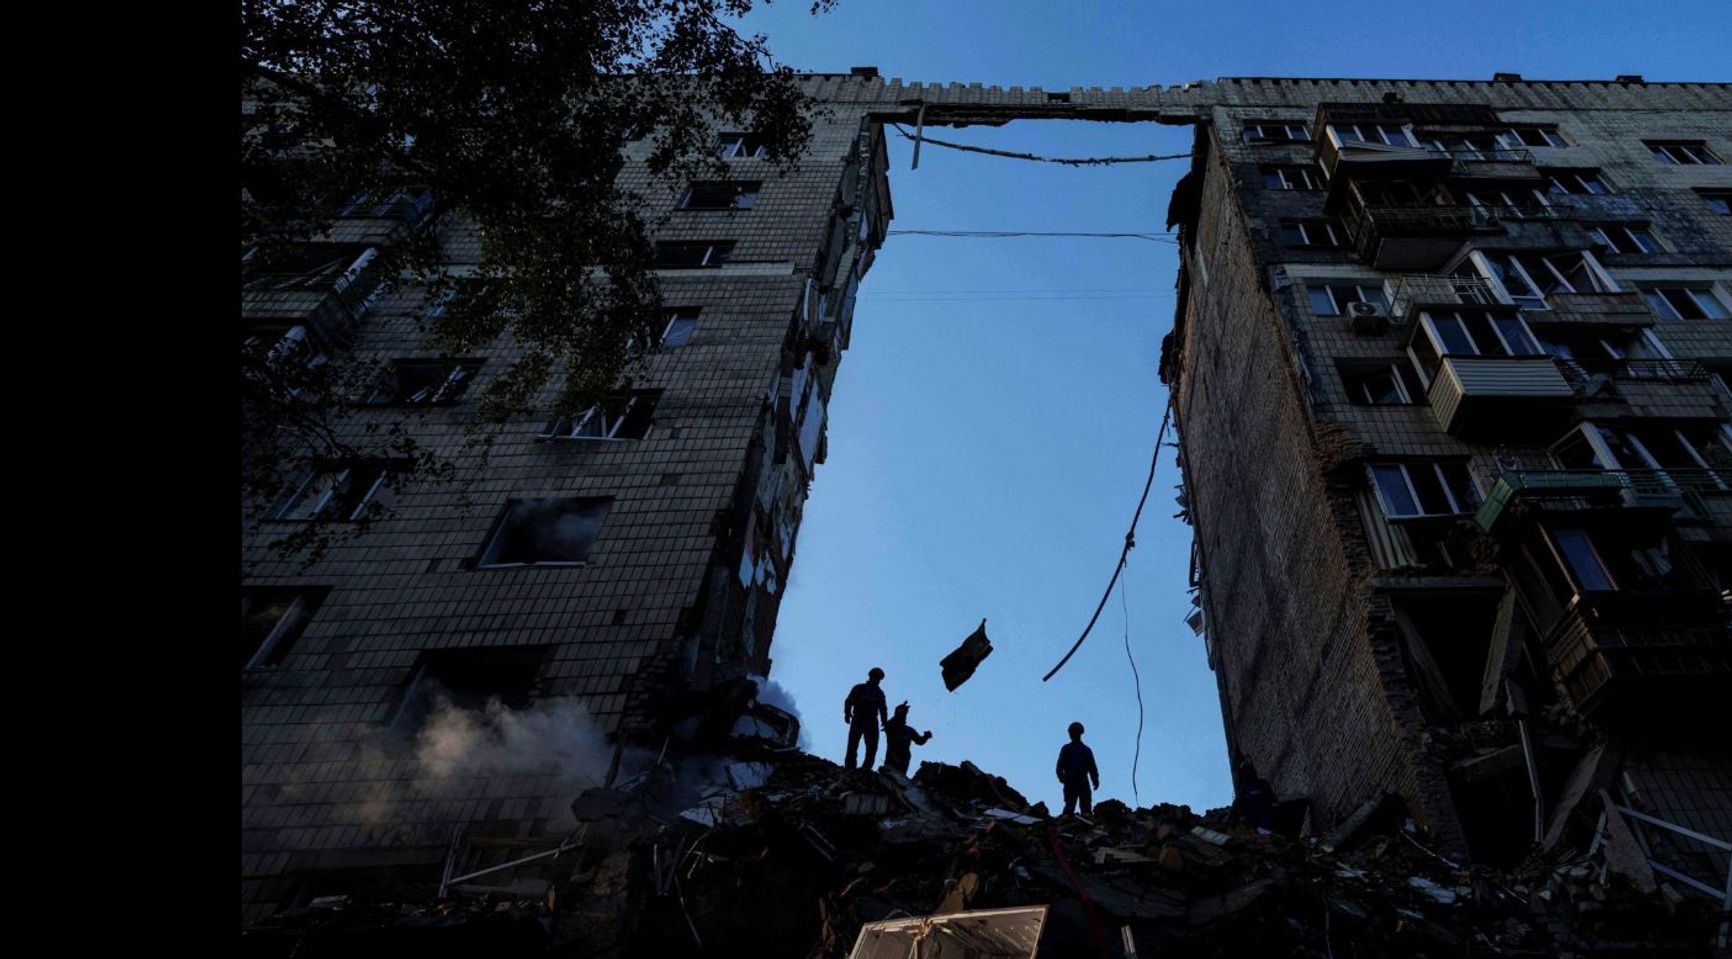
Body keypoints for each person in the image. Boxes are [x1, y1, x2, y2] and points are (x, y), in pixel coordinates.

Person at [843, 667, 889, 770]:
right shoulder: (859, 688)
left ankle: (866, 769)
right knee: (853, 744)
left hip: (872, 721)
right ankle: (849, 767)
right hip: (858, 718)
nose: (876, 680)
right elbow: (849, 700)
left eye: (878, 678)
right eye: (875, 677)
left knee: (872, 747)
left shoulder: (880, 694)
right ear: (870, 676)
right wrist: (847, 713)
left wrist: (884, 721)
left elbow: (883, 709)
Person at [1056, 721, 1100, 817]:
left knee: (1086, 804)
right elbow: (1060, 765)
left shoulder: (1086, 750)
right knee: (1069, 804)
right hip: (1070, 779)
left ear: (1079, 733)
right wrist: (1061, 776)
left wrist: (1095, 780)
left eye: (1073, 731)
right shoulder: (1066, 748)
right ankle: (1067, 817)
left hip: (1082, 779)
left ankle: (1085, 816)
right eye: (1071, 732)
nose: (1071, 734)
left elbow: (1092, 767)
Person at [879, 702, 933, 776]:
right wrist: (900, 710)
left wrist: (926, 737)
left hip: (904, 759)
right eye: (902, 714)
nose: (903, 717)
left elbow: (920, 741)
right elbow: (890, 724)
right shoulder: (892, 727)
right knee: (888, 775)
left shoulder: (909, 730)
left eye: (904, 715)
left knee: (899, 777)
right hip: (892, 756)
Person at [1230, 758, 1275, 832]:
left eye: (1248, 768)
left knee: (1265, 824)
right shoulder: (1243, 789)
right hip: (1252, 816)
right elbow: (1237, 802)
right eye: (1245, 770)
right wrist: (1233, 816)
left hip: (1264, 811)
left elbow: (1270, 794)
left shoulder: (1261, 783)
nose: (1247, 772)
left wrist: (1274, 802)